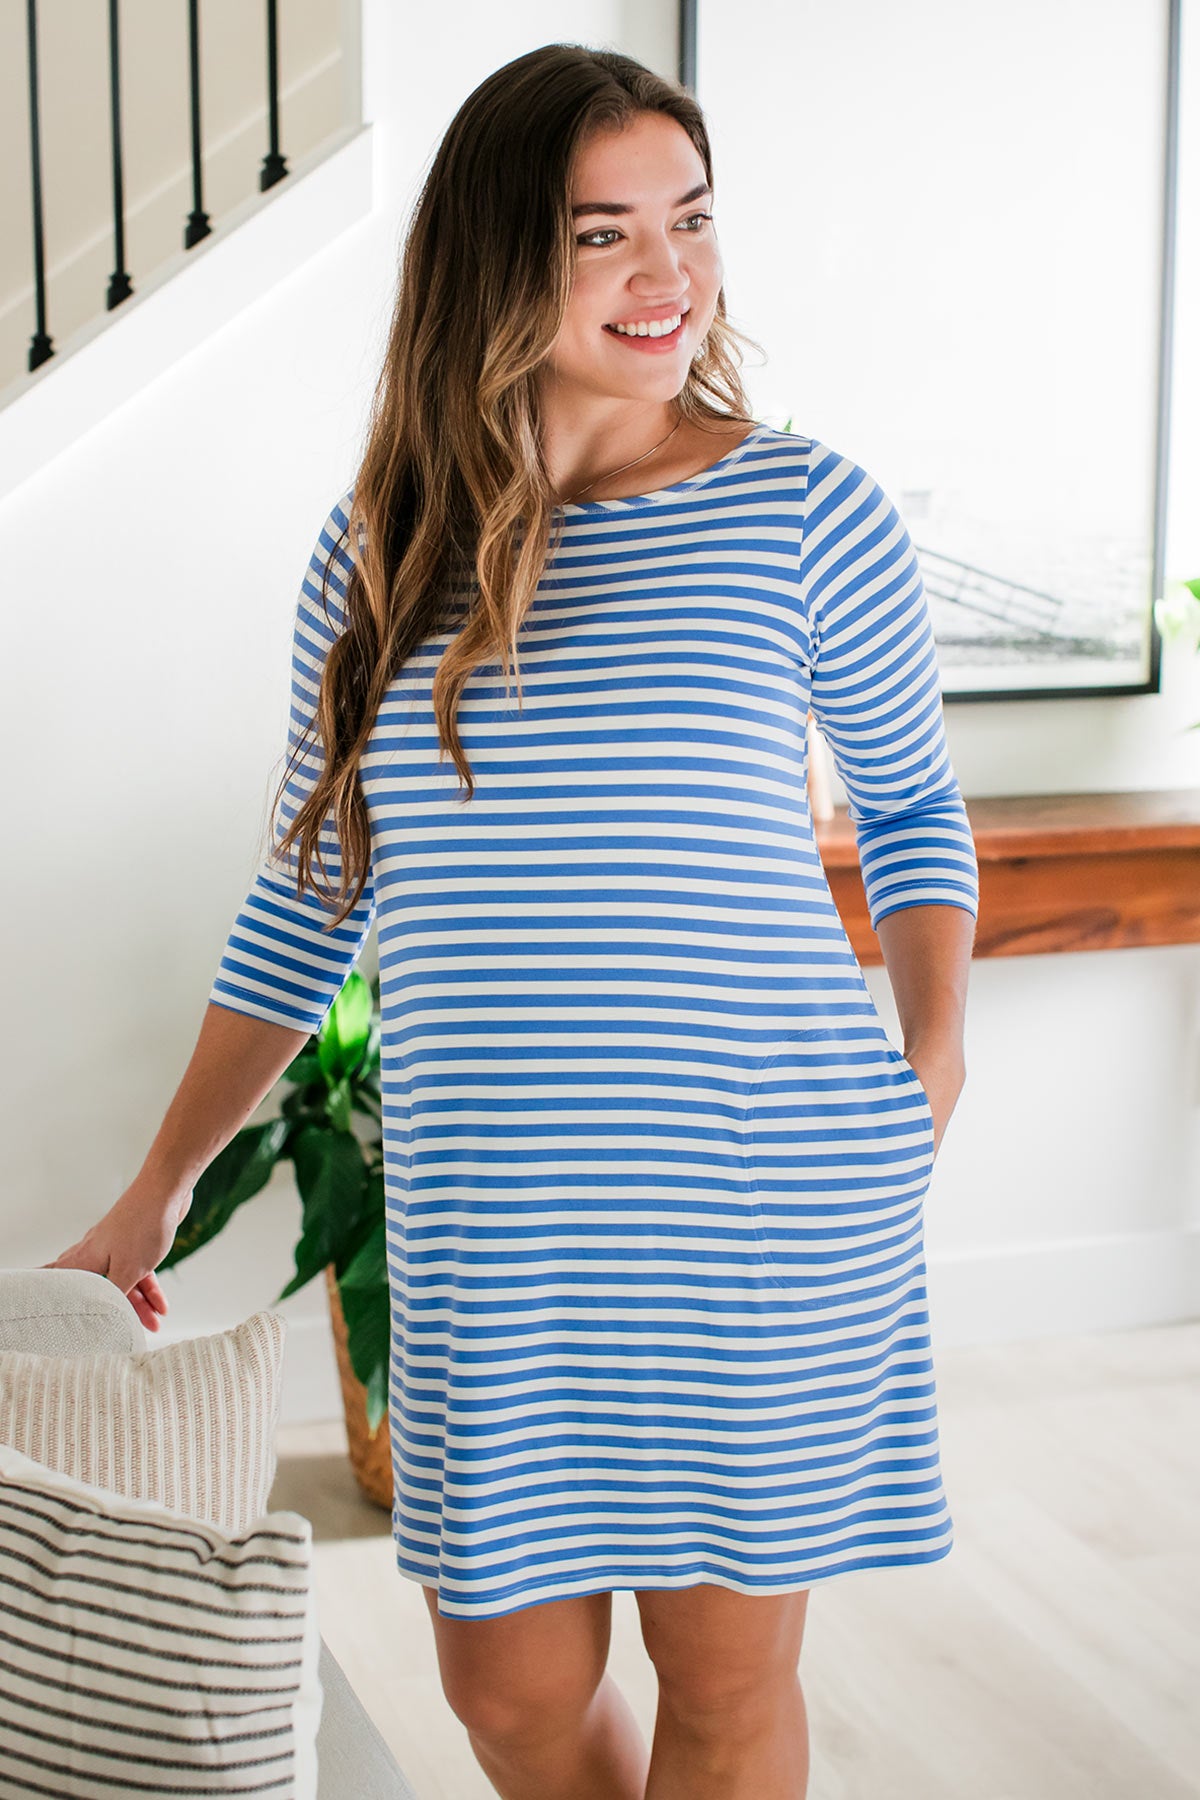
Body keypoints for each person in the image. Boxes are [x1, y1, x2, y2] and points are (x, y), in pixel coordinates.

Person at [45, 42, 978, 1800]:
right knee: (510, 1695)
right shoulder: (384, 548)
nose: (668, 275)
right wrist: (157, 1184)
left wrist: (932, 1053)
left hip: (757, 1191)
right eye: (602, 232)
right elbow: (310, 893)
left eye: (689, 223)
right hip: (507, 1213)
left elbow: (919, 810)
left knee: (723, 1675)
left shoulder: (800, 513)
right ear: (496, 258)